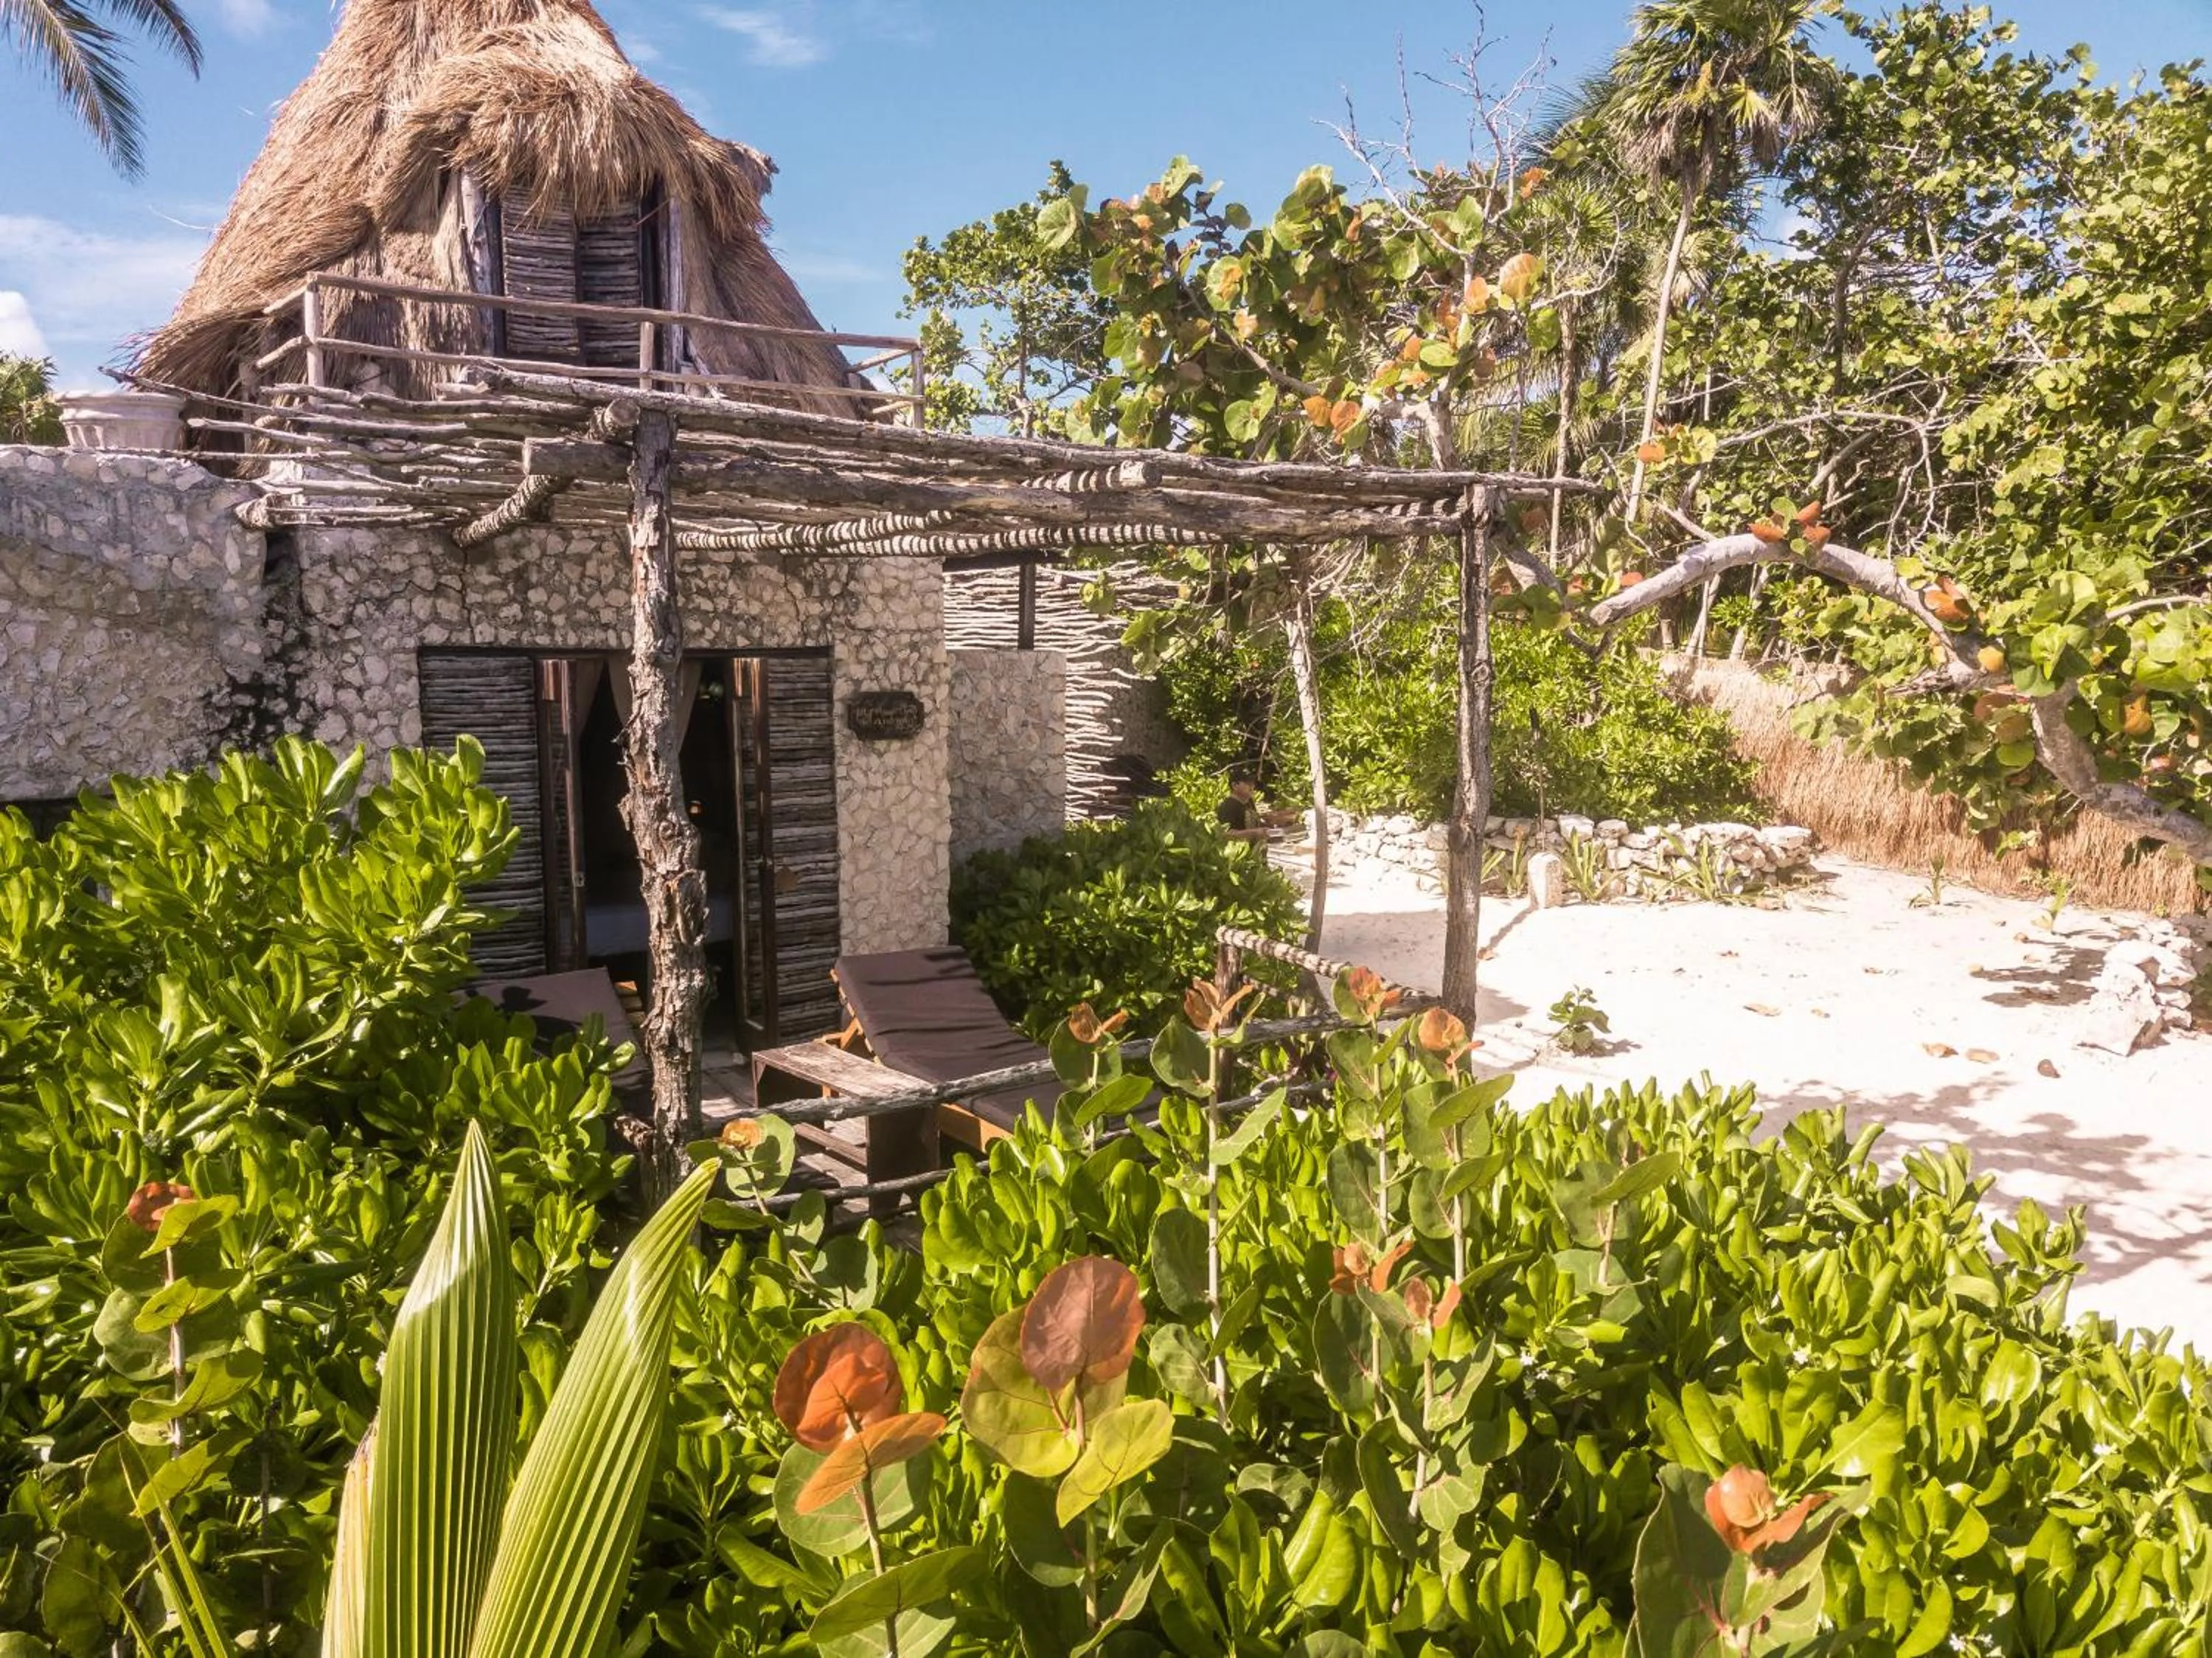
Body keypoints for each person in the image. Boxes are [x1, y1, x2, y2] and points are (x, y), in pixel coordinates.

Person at [1217, 774, 1298, 843]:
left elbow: (1252, 825)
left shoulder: (1249, 801)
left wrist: (1274, 827)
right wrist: (1254, 833)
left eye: (1252, 783)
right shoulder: (1226, 807)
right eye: (1248, 783)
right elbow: (1226, 835)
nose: (1252, 786)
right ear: (1235, 785)